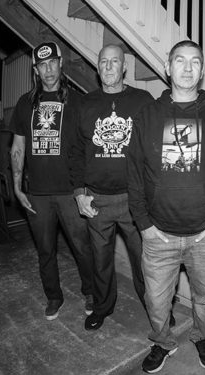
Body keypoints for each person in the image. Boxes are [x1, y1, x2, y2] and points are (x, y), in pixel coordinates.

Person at [127, 40, 205, 373]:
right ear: (167, 67)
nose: (188, 67)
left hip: (204, 236)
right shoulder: (148, 114)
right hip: (158, 235)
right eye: (180, 60)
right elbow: (133, 172)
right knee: (157, 302)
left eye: (195, 62)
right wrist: (144, 225)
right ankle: (162, 342)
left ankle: (202, 336)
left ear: (202, 70)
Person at [69, 44, 153, 331]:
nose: (108, 67)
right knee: (101, 262)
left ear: (124, 67)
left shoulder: (143, 101)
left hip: (135, 200)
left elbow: (153, 149)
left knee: (145, 262)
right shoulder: (84, 104)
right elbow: (76, 151)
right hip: (97, 200)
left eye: (114, 62)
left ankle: (157, 308)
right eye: (103, 62)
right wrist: (79, 193)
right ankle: (102, 307)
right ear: (97, 67)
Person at [9, 41, 94, 320]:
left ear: (60, 63)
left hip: (71, 192)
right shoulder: (25, 103)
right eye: (41, 65)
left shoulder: (78, 102)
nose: (48, 70)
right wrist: (17, 187)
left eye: (52, 63)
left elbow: (88, 148)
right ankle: (54, 296)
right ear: (36, 69)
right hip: (39, 195)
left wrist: (86, 188)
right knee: (45, 250)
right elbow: (18, 148)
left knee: (82, 248)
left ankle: (90, 291)